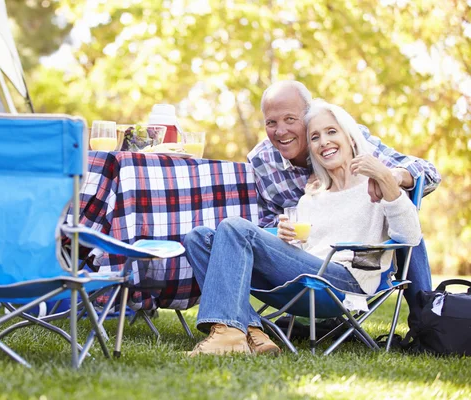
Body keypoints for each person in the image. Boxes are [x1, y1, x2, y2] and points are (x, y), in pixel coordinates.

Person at [183, 99, 422, 355]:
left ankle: (230, 334)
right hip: (306, 278)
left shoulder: (376, 186)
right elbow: (306, 249)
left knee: (234, 227)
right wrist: (288, 239)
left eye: (332, 132)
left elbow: (410, 237)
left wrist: (387, 178)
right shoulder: (311, 196)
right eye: (315, 137)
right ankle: (251, 332)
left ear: (351, 138)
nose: (324, 142)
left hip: (345, 283)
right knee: (198, 237)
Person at [247, 80, 440, 334]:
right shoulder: (262, 162)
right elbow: (267, 222)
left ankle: (425, 318)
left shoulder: (353, 141)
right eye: (271, 122)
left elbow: (427, 174)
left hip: (352, 264)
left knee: (402, 214)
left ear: (306, 117)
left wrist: (391, 178)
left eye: (290, 119)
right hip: (306, 257)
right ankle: (253, 328)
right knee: (223, 236)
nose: (280, 131)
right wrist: (282, 230)